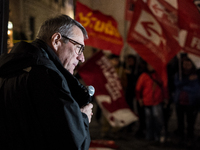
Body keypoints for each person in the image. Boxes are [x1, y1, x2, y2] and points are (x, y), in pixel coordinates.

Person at [0, 15, 93, 150]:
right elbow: (74, 144)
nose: (82, 58)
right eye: (79, 47)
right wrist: (83, 117)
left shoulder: (12, 68)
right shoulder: (47, 76)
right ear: (56, 40)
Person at [135, 63, 167, 142]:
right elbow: (138, 88)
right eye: (149, 65)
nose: (151, 66)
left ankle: (158, 135)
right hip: (147, 101)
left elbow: (165, 86)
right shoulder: (144, 76)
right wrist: (139, 99)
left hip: (157, 100)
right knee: (149, 120)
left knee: (158, 119)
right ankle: (149, 135)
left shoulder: (159, 75)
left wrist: (166, 97)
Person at [173, 57, 200, 140]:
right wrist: (187, 80)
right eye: (185, 64)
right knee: (180, 120)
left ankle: (190, 135)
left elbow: (195, 89)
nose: (186, 65)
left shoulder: (196, 75)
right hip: (179, 102)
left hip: (191, 102)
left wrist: (183, 86)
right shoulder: (179, 74)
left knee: (190, 121)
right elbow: (176, 84)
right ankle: (180, 133)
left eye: (188, 64)